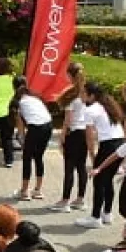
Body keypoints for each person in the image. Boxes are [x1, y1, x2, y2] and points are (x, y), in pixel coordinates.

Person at [75, 82, 126, 228]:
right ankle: (107, 213)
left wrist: (92, 154)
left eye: (84, 93)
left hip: (108, 145)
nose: (81, 95)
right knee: (108, 180)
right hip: (120, 143)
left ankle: (95, 217)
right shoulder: (108, 105)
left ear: (91, 96)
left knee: (98, 181)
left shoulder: (90, 110)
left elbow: (89, 135)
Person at [53, 62, 89, 212]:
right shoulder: (86, 93)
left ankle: (65, 200)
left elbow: (67, 120)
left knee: (69, 167)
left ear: (69, 75)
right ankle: (80, 199)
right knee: (81, 167)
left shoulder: (71, 95)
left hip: (73, 133)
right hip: (84, 132)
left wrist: (62, 135)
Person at [13, 77, 52, 201]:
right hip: (48, 125)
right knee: (39, 157)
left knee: (27, 158)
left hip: (36, 127)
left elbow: (20, 126)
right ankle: (37, 190)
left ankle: (24, 191)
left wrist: (22, 141)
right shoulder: (35, 98)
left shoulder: (19, 103)